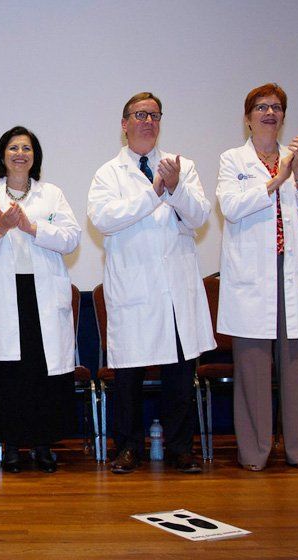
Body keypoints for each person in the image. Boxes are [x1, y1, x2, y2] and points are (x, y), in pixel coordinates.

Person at [88, 92, 215, 475]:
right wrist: (155, 191)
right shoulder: (108, 173)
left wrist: (175, 189)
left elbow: (199, 217)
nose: (147, 121)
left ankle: (180, 449)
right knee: (128, 376)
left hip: (175, 287)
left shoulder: (182, 167)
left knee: (180, 374)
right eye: (139, 115)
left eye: (154, 115)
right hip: (134, 288)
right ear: (124, 124)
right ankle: (127, 449)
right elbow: (104, 219)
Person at [216, 83, 298, 472]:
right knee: (253, 367)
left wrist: (297, 175)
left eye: (276, 107)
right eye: (261, 107)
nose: (270, 113)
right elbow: (231, 207)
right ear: (247, 118)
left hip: (290, 271)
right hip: (252, 276)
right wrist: (276, 179)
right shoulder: (233, 159)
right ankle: (254, 452)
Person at [0, 126, 81, 474]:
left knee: (42, 375)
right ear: (2, 156)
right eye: (13, 148)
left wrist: (32, 228)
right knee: (9, 376)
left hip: (40, 295)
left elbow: (72, 238)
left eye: (27, 148)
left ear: (35, 156)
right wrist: (0, 229)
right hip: (4, 295)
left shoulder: (52, 194)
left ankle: (43, 445)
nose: (20, 153)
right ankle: (12, 446)